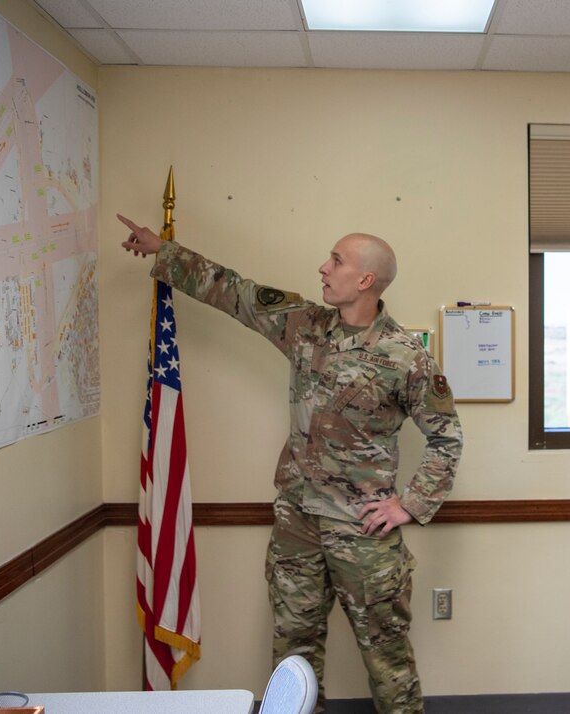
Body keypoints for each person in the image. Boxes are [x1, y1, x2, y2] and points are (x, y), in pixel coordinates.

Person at [118, 214, 462, 714]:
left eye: (337, 261)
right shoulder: (303, 323)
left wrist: (409, 504)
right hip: (296, 522)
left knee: (387, 660)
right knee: (292, 660)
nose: (323, 267)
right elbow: (235, 292)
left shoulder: (405, 356)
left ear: (365, 280)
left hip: (362, 532)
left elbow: (446, 437)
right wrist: (163, 251)